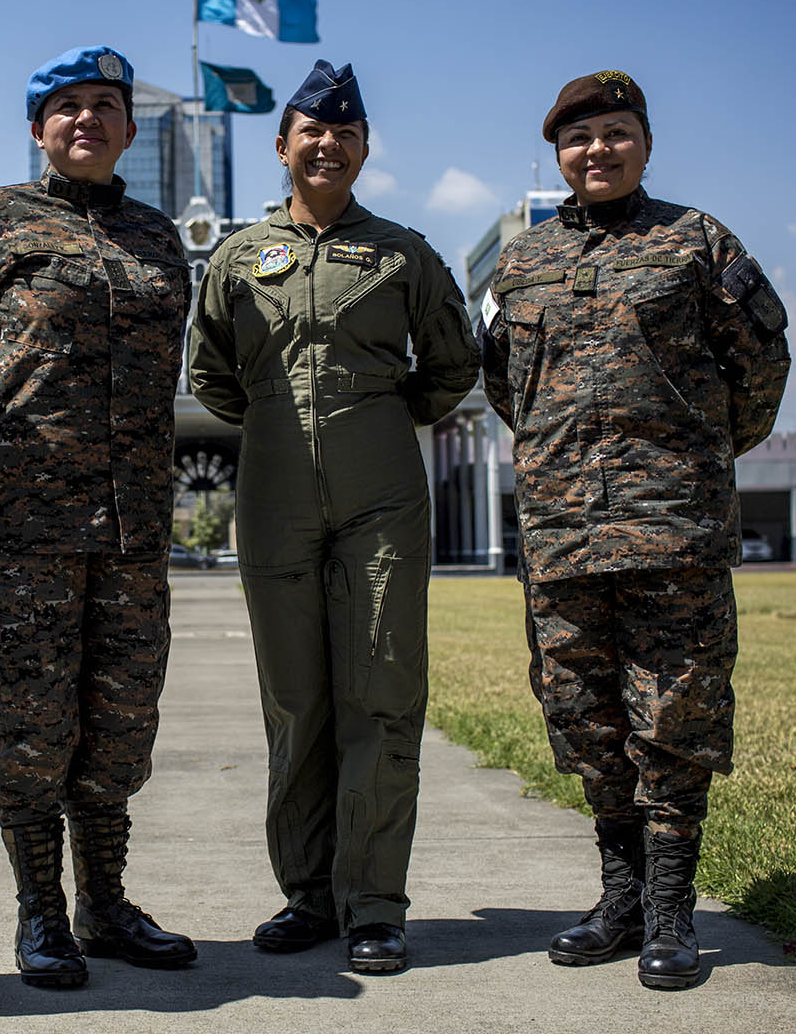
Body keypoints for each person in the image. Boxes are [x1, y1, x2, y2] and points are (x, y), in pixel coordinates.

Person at [477, 70, 790, 990]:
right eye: (579, 139)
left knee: (675, 716)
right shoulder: (522, 263)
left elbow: (760, 366)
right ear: (558, 156)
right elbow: (504, 384)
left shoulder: (695, 240)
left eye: (616, 133)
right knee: (581, 714)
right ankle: (618, 896)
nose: (597, 151)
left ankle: (670, 910)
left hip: (672, 529)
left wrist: (695, 457)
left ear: (645, 143)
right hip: (562, 532)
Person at [0, 46, 196, 988]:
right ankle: (40, 915)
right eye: (67, 106)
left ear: (128, 128)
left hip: (134, 528)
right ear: (39, 127)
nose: (86, 120)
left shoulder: (160, 238)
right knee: (35, 724)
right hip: (24, 526)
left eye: (104, 106)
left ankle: (105, 906)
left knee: (120, 721)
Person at [188, 61, 479, 974]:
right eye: (312, 131)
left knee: (381, 694)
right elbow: (210, 374)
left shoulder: (404, 255)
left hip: (381, 495)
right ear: (283, 148)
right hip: (272, 494)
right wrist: (283, 416)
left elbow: (452, 361)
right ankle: (308, 895)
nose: (328, 144)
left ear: (363, 149)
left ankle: (376, 904)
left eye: (345, 133)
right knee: (295, 703)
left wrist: (380, 419)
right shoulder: (238, 257)